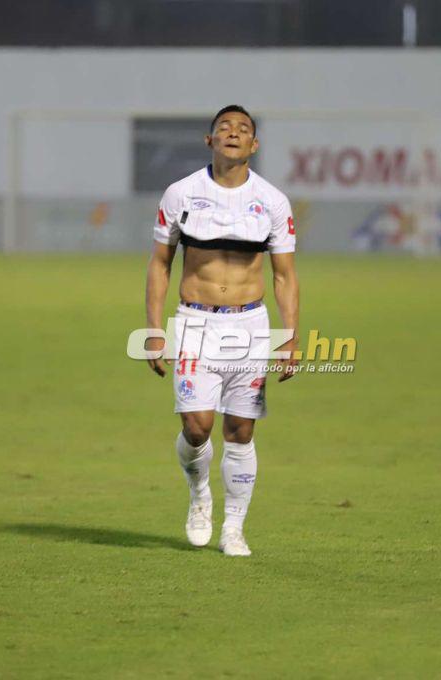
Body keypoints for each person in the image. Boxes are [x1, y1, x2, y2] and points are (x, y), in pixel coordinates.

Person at [144, 105, 300, 557]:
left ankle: (234, 527)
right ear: (209, 141)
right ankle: (199, 496)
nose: (234, 133)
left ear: (254, 145)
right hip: (195, 322)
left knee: (240, 431)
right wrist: (154, 329)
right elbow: (160, 263)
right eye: (224, 128)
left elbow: (285, 276)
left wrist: (289, 336)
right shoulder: (181, 194)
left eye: (244, 129)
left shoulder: (271, 201)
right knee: (197, 427)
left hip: (250, 325)